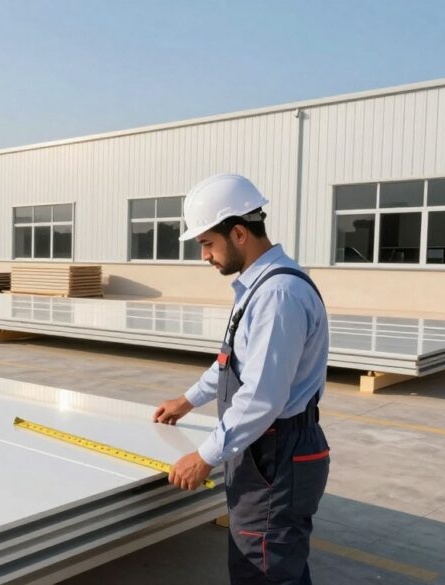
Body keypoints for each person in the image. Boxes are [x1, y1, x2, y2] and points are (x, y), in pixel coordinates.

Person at [153, 174, 329, 585]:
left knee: (263, 569)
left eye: (207, 243)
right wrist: (187, 400)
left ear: (238, 233)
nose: (204, 256)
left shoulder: (277, 295)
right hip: (268, 449)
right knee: (272, 564)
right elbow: (231, 363)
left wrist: (204, 456)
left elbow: (261, 397)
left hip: (276, 454)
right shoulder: (259, 286)